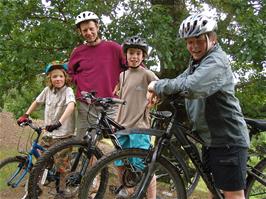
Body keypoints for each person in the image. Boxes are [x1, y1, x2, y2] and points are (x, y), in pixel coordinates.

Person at [147, 13, 250, 199]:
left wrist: (156, 85)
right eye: (189, 42)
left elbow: (193, 86)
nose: (193, 47)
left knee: (233, 195)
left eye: (198, 41)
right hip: (211, 139)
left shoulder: (215, 61)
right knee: (215, 191)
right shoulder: (198, 62)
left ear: (212, 38)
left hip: (227, 140)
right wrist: (158, 91)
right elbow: (181, 79)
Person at [17, 61, 76, 199]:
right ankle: (36, 187)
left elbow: (71, 105)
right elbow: (37, 102)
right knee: (41, 161)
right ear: (50, 78)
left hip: (63, 135)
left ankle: (62, 190)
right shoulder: (47, 91)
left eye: (61, 76)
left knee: (62, 165)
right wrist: (26, 115)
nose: (58, 79)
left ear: (65, 77)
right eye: (54, 76)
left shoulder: (68, 90)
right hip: (49, 133)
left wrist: (59, 122)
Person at [68, 11, 125, 139]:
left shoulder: (113, 47)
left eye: (91, 29)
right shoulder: (78, 51)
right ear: (80, 32)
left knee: (120, 142)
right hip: (86, 104)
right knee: (85, 144)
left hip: (110, 103)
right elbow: (70, 73)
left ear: (97, 27)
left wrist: (121, 82)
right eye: (84, 30)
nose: (88, 33)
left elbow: (133, 67)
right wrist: (81, 82)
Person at [114, 36, 158, 199]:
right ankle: (127, 191)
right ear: (126, 55)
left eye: (138, 53)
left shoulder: (147, 74)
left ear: (143, 56)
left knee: (143, 164)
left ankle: (151, 196)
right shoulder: (122, 75)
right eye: (131, 53)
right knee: (119, 162)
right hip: (121, 126)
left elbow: (160, 88)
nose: (134, 56)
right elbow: (121, 99)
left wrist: (153, 94)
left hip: (140, 127)